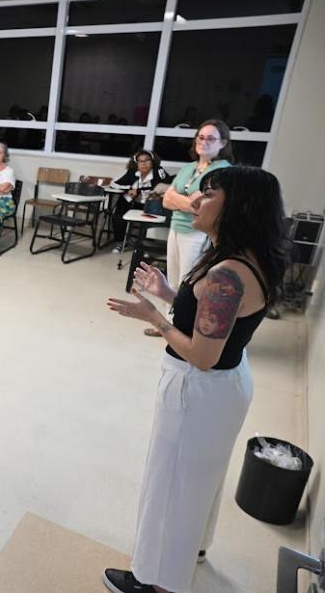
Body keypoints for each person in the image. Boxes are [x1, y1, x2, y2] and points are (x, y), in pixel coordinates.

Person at [104, 166, 289, 593]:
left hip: (198, 388)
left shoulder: (227, 273)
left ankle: (156, 582)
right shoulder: (247, 258)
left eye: (209, 194)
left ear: (237, 205)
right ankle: (190, 552)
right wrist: (171, 294)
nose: (197, 200)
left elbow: (202, 356)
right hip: (224, 387)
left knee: (172, 487)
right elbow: (214, 321)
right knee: (198, 479)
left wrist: (154, 316)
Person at [148, 119, 233, 337]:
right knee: (173, 278)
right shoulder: (189, 167)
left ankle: (183, 328)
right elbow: (166, 200)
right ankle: (168, 324)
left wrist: (180, 200)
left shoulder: (221, 171)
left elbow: (201, 208)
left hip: (197, 233)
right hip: (176, 228)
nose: (204, 142)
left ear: (222, 143)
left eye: (211, 138)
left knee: (188, 284)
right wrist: (185, 201)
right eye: (201, 137)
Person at [110, 149, 170, 248]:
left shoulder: (158, 171)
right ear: (136, 163)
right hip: (132, 202)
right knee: (118, 215)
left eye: (147, 160)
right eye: (140, 161)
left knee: (152, 212)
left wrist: (139, 190)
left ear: (152, 161)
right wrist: (129, 189)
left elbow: (163, 186)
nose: (144, 163)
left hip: (150, 203)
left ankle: (147, 244)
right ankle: (122, 241)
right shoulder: (132, 172)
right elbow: (114, 184)